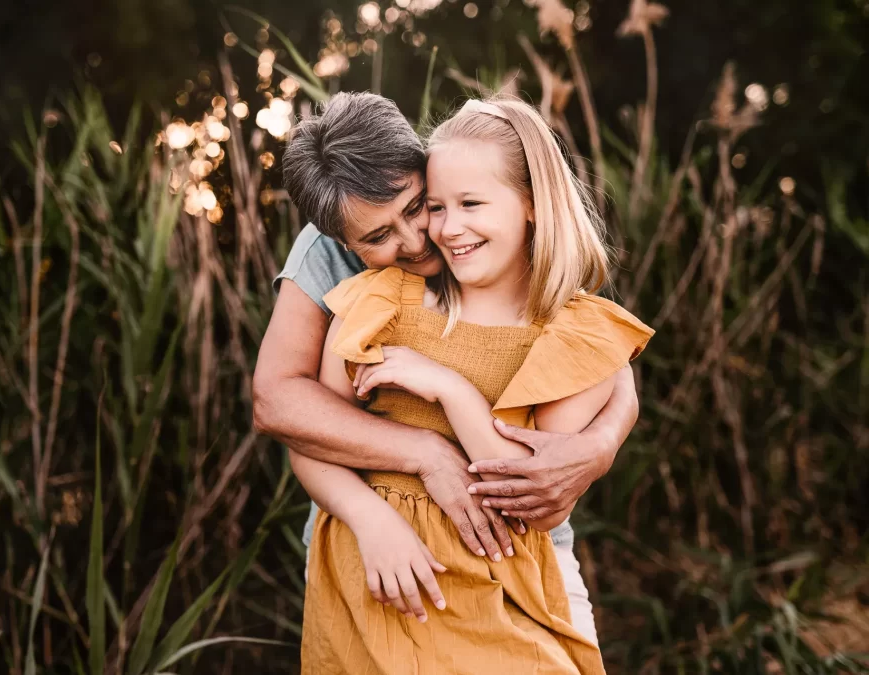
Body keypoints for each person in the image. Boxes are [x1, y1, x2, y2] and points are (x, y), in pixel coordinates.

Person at [252, 92, 641, 646]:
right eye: (378, 238)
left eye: (418, 207)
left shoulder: (479, 211)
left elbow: (595, 356)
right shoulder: (356, 274)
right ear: (342, 241)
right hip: (380, 550)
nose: (418, 241)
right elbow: (280, 404)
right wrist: (419, 459)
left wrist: (603, 441)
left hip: (512, 557)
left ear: (425, 167)